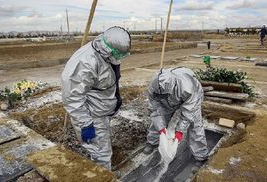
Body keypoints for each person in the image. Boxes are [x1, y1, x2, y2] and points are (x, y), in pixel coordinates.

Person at [61, 26, 131, 170]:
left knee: (102, 147)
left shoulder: (106, 53)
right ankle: (103, 175)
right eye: (118, 55)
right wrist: (85, 124)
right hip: (91, 115)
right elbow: (72, 98)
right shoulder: (85, 63)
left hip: (102, 110)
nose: (119, 59)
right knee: (102, 155)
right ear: (109, 49)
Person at [143, 67, 208, 162]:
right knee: (158, 120)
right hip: (168, 101)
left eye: (164, 95)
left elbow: (188, 113)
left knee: (195, 125)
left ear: (172, 88)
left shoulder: (188, 88)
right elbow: (155, 110)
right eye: (160, 96)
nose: (162, 97)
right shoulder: (153, 89)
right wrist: (161, 129)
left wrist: (180, 131)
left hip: (192, 98)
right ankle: (153, 142)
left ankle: (201, 156)